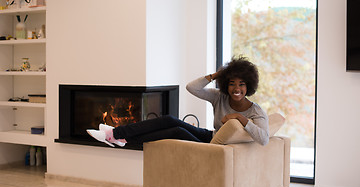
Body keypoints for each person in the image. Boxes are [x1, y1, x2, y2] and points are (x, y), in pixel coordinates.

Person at [86, 57, 269, 147]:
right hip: (210, 135)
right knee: (169, 119)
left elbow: (264, 139)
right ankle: (117, 134)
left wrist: (239, 118)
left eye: (242, 84)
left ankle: (120, 138)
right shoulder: (220, 97)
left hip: (215, 147)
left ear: (249, 86)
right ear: (226, 84)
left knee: (177, 131)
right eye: (231, 83)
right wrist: (216, 75)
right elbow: (192, 88)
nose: (236, 89)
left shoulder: (256, 111)